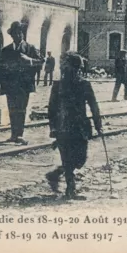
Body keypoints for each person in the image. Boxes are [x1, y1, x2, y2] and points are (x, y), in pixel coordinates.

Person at [46, 52, 103, 199]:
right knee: (67, 158)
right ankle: (70, 189)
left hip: (80, 126)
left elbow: (93, 105)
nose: (75, 70)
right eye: (72, 67)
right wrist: (53, 127)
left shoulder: (84, 84)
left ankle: (56, 173)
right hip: (63, 126)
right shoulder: (58, 85)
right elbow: (52, 108)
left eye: (77, 68)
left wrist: (98, 124)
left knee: (80, 159)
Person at [0, 21, 42, 145]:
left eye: (20, 33)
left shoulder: (30, 48)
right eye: (15, 33)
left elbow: (41, 61)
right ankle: (13, 135)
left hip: (24, 85)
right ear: (12, 35)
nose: (18, 36)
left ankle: (20, 135)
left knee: (21, 109)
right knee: (12, 109)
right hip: (9, 85)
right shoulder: (6, 50)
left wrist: (29, 60)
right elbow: (0, 67)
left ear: (22, 34)